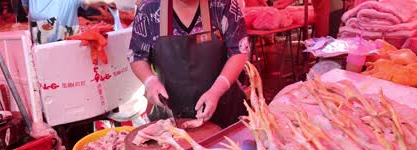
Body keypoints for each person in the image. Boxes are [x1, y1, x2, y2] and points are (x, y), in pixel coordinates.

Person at [128, 0, 249, 128]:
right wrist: (150, 81)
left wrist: (217, 89)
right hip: (171, 117)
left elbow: (239, 50)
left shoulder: (223, 4)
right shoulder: (149, 9)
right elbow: (137, 55)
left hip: (225, 111)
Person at [21, 0, 117, 44]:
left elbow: (88, 1)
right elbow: (27, 9)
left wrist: (106, 1)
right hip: (41, 48)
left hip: (70, 46)